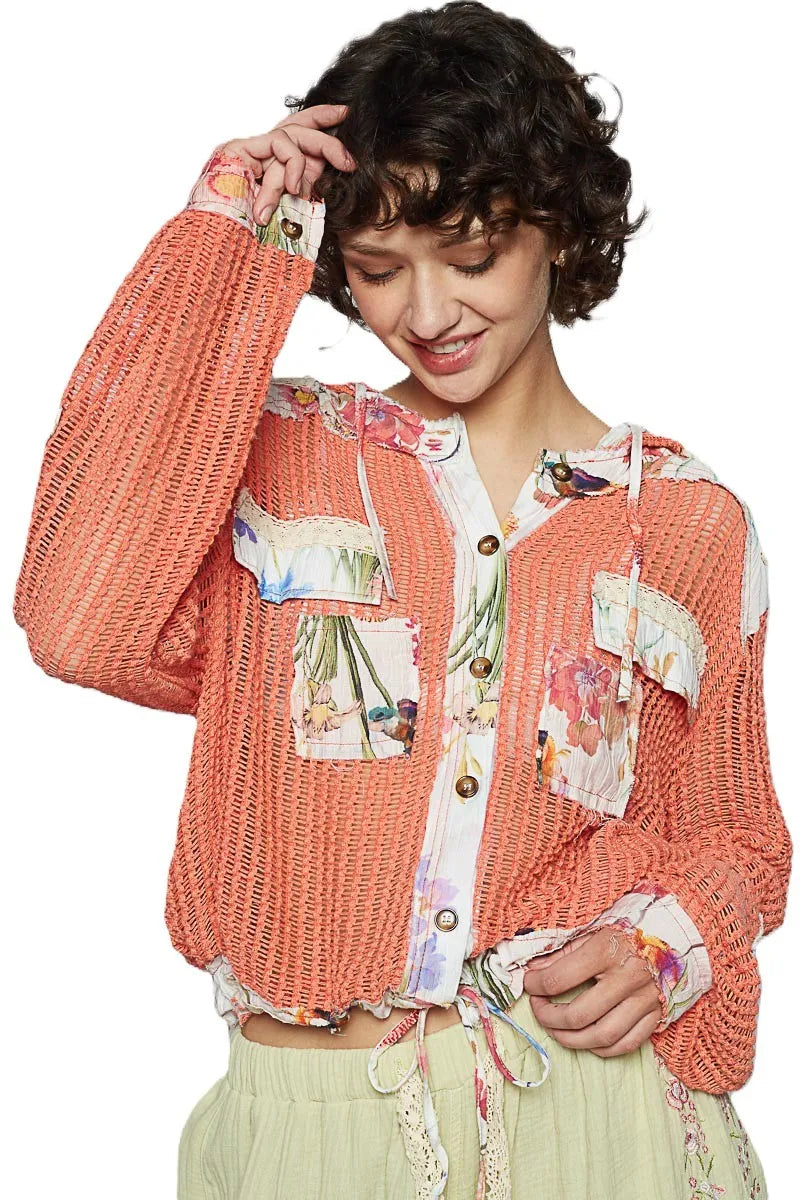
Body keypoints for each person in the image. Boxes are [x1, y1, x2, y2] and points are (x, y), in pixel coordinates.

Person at [13, 3, 791, 1197]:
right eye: (378, 271)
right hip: (301, 1130)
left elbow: (738, 835)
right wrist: (227, 236)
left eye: (471, 259)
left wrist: (667, 942)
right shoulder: (275, 455)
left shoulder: (686, 522)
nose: (425, 316)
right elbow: (80, 620)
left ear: (554, 226)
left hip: (593, 1123)